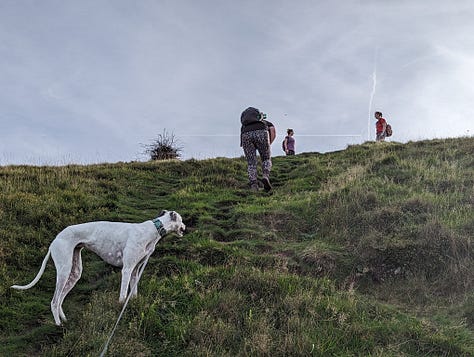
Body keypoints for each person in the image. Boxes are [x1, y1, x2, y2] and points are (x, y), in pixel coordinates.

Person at [240, 107, 276, 191]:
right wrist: (268, 144)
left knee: (251, 163)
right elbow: (273, 131)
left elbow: (242, 135)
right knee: (266, 159)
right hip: (261, 132)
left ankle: (253, 185)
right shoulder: (265, 122)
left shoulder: (244, 125)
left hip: (246, 134)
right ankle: (265, 176)